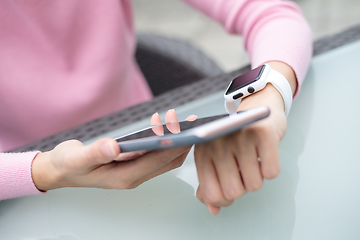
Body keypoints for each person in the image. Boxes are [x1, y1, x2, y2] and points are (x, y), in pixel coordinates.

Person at [0, 0, 312, 215]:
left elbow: (270, 12)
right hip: (20, 192)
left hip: (147, 161)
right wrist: (46, 171)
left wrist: (263, 97)